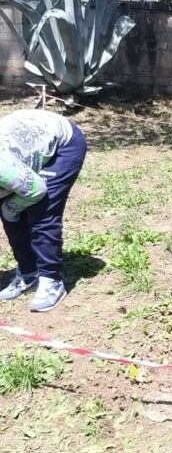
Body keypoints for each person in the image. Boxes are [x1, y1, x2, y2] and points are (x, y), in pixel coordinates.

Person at [0, 108, 87, 311]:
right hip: (22, 148)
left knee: (41, 210)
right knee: (7, 211)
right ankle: (28, 273)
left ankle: (51, 281)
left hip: (62, 144)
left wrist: (10, 207)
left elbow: (36, 190)